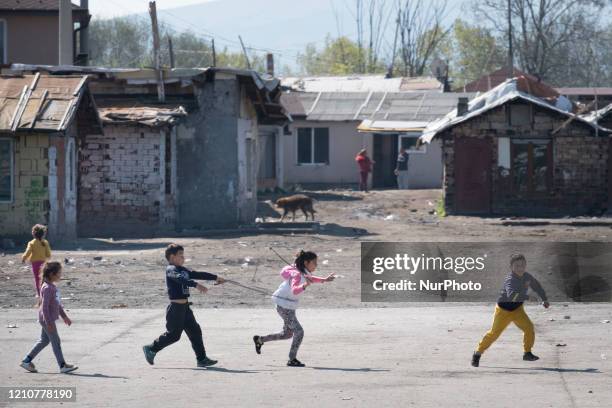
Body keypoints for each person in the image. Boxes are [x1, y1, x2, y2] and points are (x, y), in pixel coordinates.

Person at [143, 244, 226, 368]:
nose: (183, 258)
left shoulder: (183, 270)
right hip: (175, 309)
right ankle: (151, 348)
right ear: (172, 257)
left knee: (195, 332)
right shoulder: (171, 269)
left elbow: (197, 274)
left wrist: (216, 277)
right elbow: (179, 278)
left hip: (185, 308)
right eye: (180, 255)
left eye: (183, 255)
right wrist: (195, 285)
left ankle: (202, 359)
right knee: (174, 336)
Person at [252, 250, 335, 367]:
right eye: (314, 262)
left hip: (287, 306)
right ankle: (292, 359)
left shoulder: (303, 272)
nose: (316, 265)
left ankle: (260, 340)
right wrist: (305, 285)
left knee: (287, 334)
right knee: (299, 332)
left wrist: (324, 280)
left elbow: (310, 278)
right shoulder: (297, 274)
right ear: (306, 262)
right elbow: (295, 290)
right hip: (284, 306)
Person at [471, 254, 550, 367]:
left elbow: (537, 287)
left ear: (525, 265)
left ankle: (527, 353)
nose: (520, 268)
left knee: (529, 328)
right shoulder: (510, 280)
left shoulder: (527, 277)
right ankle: (477, 354)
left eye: (522, 265)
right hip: (503, 311)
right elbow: (511, 296)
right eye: (517, 266)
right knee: (494, 334)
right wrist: (527, 297)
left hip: (517, 310)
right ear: (511, 267)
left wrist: (544, 299)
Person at [20, 261, 78, 374]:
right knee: (56, 341)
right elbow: (44, 308)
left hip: (46, 319)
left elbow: (57, 304)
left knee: (44, 341)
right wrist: (49, 323)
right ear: (52, 274)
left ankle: (26, 361)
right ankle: (62, 365)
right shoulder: (47, 288)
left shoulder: (51, 287)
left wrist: (65, 317)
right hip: (47, 320)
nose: (61, 276)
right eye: (59, 273)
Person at [21, 224, 51, 299]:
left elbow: (28, 252)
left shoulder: (31, 243)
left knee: (37, 279)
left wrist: (24, 258)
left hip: (35, 264)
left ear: (33, 233)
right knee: (45, 279)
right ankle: (46, 293)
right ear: (43, 234)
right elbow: (48, 254)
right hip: (44, 263)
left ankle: (39, 294)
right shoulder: (45, 242)